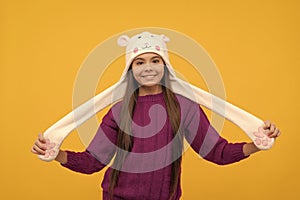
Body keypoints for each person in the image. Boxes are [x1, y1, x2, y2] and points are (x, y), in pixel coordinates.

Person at [31, 32, 281, 200]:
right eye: (139, 62)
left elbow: (218, 152)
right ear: (130, 69)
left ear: (166, 66)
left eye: (155, 60)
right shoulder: (119, 110)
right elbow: (92, 162)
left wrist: (257, 144)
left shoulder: (185, 107)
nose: (148, 67)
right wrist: (56, 154)